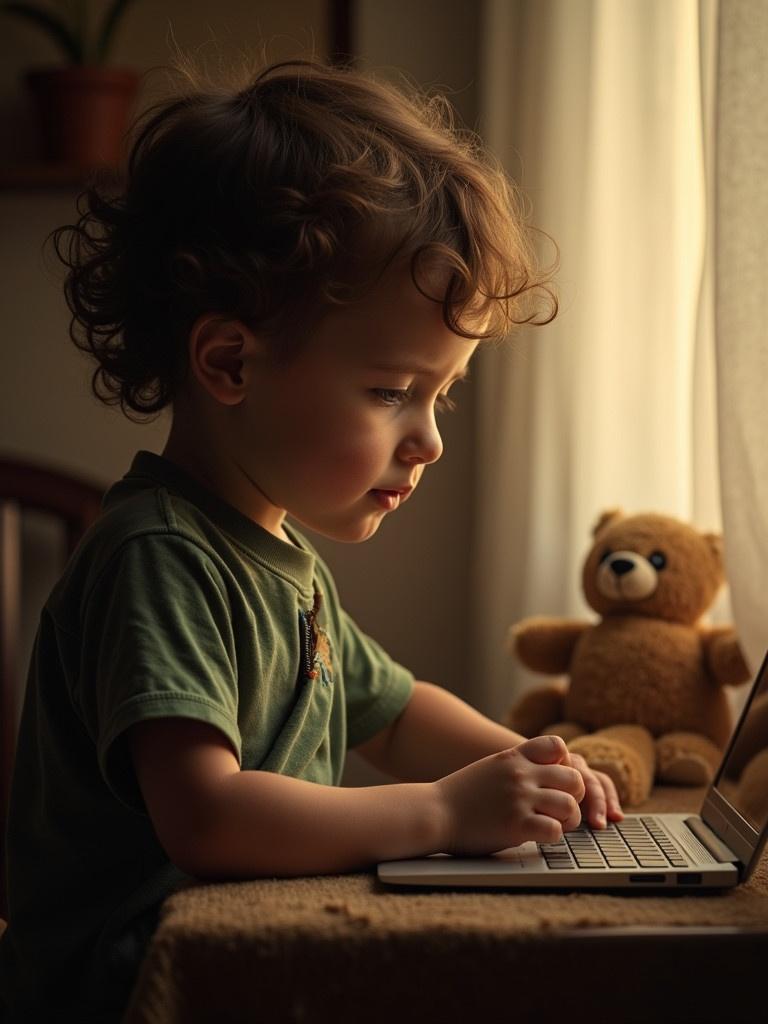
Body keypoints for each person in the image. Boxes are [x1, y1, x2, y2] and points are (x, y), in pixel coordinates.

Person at [0, 58, 622, 1022]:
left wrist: (540, 766)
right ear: (229, 361)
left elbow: (397, 711)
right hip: (123, 984)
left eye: (440, 395)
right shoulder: (157, 557)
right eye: (391, 392)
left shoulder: (279, 558)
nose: (430, 438)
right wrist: (447, 814)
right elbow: (207, 815)